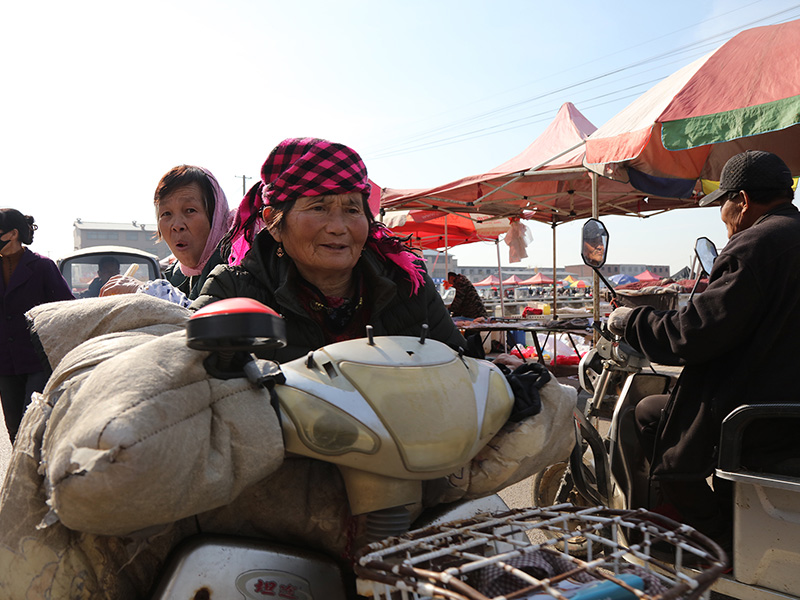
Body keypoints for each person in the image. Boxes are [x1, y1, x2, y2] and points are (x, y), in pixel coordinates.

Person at [607, 150, 800, 548]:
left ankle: (717, 537)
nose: (724, 216)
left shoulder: (755, 244)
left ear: (742, 201)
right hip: (786, 401)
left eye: (724, 204)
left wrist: (631, 320)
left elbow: (692, 337)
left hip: (761, 415)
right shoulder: (784, 236)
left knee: (651, 418)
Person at [194, 137, 468, 362]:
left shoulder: (409, 282)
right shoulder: (234, 289)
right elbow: (185, 369)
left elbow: (463, 365)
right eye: (318, 208)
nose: (338, 227)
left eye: (352, 209)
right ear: (273, 224)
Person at [100, 165, 232, 305]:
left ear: (216, 217)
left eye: (190, 210)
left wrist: (145, 291)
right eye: (166, 214)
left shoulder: (234, 266)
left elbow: (202, 320)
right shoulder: (176, 273)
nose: (176, 226)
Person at [0, 209, 74, 443]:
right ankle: (22, 478)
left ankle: (42, 477)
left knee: (33, 426)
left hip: (37, 361)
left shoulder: (42, 266)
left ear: (12, 234)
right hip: (5, 362)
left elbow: (66, 308)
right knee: (14, 430)